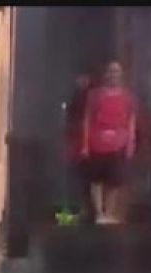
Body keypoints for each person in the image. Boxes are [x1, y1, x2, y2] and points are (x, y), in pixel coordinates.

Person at [81, 60, 138, 224]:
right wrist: (85, 145)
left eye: (117, 71)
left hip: (118, 144)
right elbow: (87, 119)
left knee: (114, 181)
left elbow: (131, 121)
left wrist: (130, 143)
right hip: (97, 143)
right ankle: (99, 213)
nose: (114, 74)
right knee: (96, 180)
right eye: (111, 71)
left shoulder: (128, 97)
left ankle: (109, 213)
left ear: (121, 75)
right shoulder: (95, 95)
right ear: (106, 74)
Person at [64, 73, 95, 222]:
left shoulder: (92, 97)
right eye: (80, 79)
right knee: (79, 179)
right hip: (77, 145)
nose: (82, 81)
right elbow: (70, 121)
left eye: (85, 78)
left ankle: (88, 211)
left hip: (89, 146)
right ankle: (81, 210)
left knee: (86, 180)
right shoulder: (77, 98)